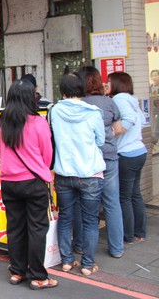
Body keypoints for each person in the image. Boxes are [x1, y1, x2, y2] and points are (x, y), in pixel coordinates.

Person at [0, 79, 56, 289]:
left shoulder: (3, 121)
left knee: (15, 228)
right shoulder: (38, 122)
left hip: (9, 184)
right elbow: (47, 157)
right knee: (37, 228)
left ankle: (17, 272)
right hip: (33, 183)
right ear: (31, 97)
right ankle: (38, 276)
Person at [50, 73, 105, 276]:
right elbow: (100, 140)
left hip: (64, 173)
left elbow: (54, 138)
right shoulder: (93, 113)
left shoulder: (55, 111)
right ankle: (88, 265)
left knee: (65, 218)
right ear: (82, 89)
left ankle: (66, 261)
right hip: (90, 173)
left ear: (62, 90)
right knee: (91, 221)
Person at [74, 67, 124, 259]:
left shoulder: (78, 104)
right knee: (112, 202)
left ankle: (79, 245)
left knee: (82, 203)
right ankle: (117, 248)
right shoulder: (109, 102)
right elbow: (118, 129)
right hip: (109, 157)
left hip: (86, 159)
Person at [108, 72, 148, 245]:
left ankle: (129, 235)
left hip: (127, 154)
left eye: (108, 81)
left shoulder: (119, 99)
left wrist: (115, 132)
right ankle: (140, 232)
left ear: (117, 83)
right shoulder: (132, 99)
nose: (105, 83)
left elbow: (130, 120)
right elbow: (141, 120)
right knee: (134, 194)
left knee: (124, 197)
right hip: (139, 151)